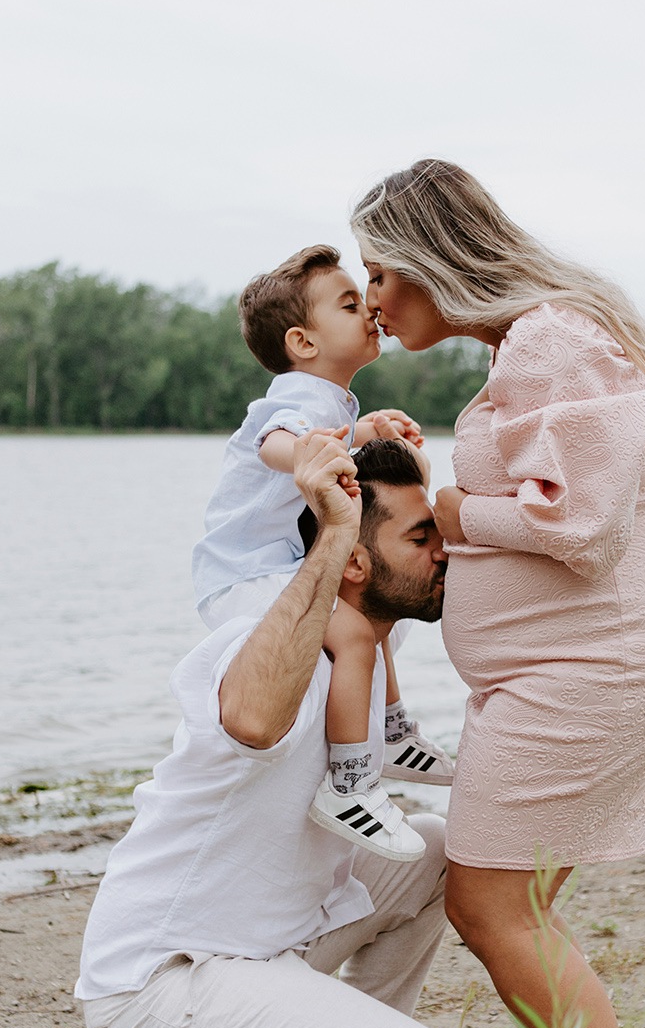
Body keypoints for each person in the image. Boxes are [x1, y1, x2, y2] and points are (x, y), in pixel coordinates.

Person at [350, 159, 645, 1028]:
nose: (370, 299)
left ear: (430, 260)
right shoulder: (534, 345)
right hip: (559, 673)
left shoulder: (556, 337)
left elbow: (581, 529)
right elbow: (551, 499)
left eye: (378, 271)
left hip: (590, 673)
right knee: (521, 907)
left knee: (489, 900)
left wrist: (442, 510)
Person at [77, 434, 464, 1028]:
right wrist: (330, 530)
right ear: (352, 564)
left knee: (434, 849)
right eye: (422, 540)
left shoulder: (361, 642)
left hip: (265, 948)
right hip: (161, 981)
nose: (444, 554)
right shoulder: (263, 647)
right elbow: (254, 719)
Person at [191, 244, 453, 862]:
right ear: (303, 342)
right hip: (243, 576)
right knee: (358, 635)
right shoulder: (298, 398)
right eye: (349, 303)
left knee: (372, 624)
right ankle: (352, 785)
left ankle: (389, 733)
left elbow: (326, 435)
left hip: (273, 568)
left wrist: (368, 432)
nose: (369, 309)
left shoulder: (329, 400)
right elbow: (273, 440)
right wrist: (306, 454)